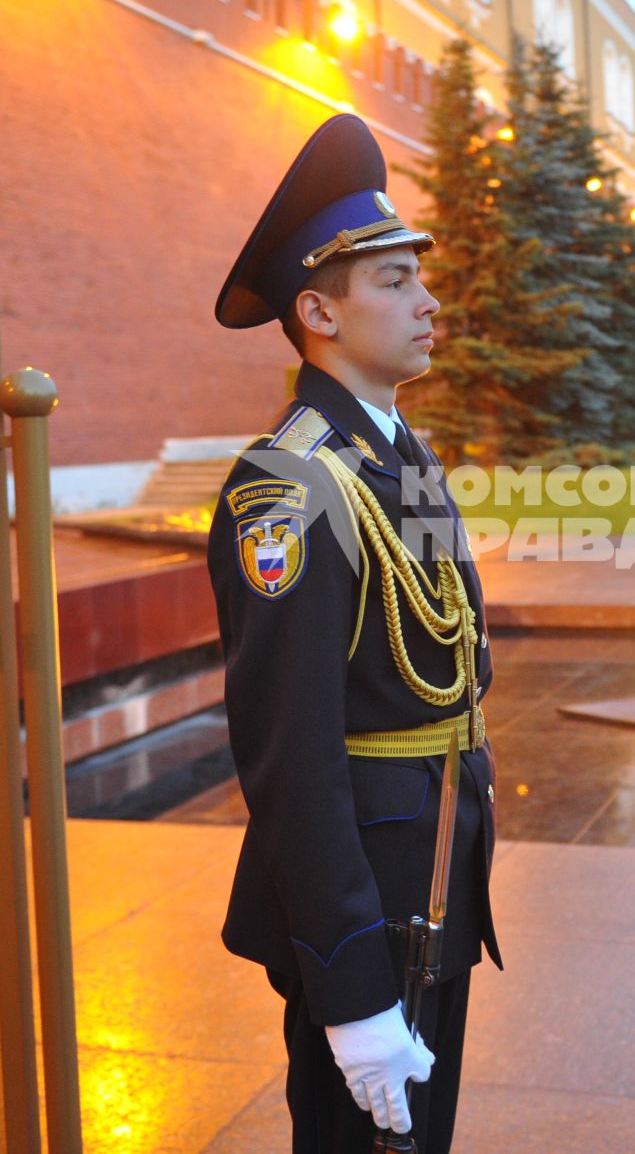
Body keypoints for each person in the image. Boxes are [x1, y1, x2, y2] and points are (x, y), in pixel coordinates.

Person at [207, 114, 498, 1154]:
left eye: (419, 275)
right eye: (393, 281)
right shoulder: (289, 487)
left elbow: (459, 652)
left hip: (436, 873)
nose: (428, 300)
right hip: (367, 916)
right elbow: (290, 759)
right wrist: (353, 987)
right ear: (318, 308)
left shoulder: (399, 448)